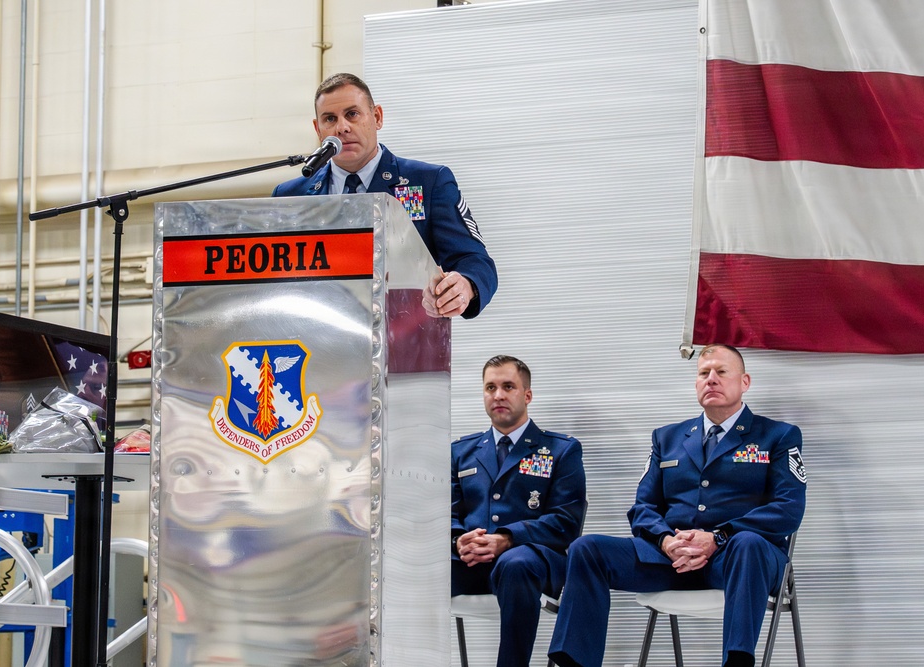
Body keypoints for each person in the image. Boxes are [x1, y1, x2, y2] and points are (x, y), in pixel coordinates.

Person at [548, 344, 806, 667]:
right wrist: (666, 541)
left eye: (721, 372)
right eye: (703, 373)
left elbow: (788, 508)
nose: (711, 379)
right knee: (587, 550)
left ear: (745, 382)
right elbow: (643, 507)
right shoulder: (667, 438)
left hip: (738, 561)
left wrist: (718, 537)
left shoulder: (778, 436)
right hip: (672, 559)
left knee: (748, 544)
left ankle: (737, 663)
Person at [272, 72, 497, 319]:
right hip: (315, 333)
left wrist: (466, 284)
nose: (342, 127)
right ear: (318, 129)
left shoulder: (427, 182)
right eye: (330, 119)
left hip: (403, 332)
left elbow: (474, 260)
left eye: (352, 114)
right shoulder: (290, 196)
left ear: (377, 117)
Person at [452, 355, 587, 667]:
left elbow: (566, 521)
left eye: (508, 386)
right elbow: (446, 513)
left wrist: (507, 538)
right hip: (471, 562)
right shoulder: (461, 452)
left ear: (527, 395)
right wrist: (458, 541)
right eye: (490, 387)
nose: (498, 395)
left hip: (532, 561)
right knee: (413, 572)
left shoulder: (561, 450)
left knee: (516, 564)